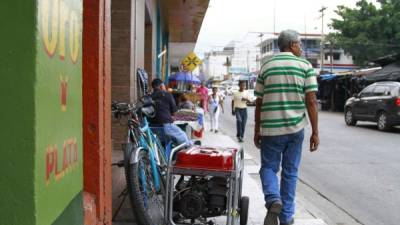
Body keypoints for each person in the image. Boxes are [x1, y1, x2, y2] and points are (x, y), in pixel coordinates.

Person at [253, 30, 319, 225]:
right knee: (290, 172)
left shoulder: (266, 67)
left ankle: (273, 199)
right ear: (292, 45)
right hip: (296, 129)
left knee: (268, 168)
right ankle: (287, 217)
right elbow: (311, 100)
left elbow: (259, 102)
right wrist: (315, 132)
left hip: (271, 130)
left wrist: (257, 129)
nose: (301, 48)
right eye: (299, 44)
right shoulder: (305, 66)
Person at [149, 78, 191, 146]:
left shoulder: (149, 97)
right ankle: (189, 148)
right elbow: (175, 113)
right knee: (184, 137)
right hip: (166, 127)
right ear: (161, 86)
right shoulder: (167, 95)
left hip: (152, 128)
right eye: (164, 86)